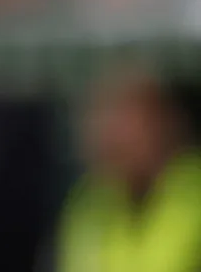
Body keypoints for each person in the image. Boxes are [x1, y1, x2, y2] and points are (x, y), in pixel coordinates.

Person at [57, 70, 201, 272]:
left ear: (164, 121)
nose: (108, 136)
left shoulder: (193, 190)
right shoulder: (89, 204)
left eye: (124, 119)